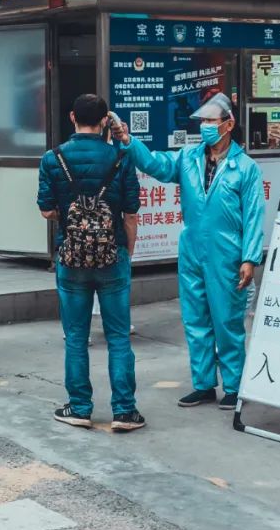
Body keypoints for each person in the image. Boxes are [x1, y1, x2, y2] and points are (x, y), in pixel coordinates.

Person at [113, 92, 264, 411]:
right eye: (204, 121)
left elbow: (253, 216)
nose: (206, 126)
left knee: (227, 321)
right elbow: (155, 164)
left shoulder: (245, 168)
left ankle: (234, 387)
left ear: (229, 124)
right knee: (195, 319)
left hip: (228, 253)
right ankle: (204, 384)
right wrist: (129, 141)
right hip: (192, 250)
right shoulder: (188, 158)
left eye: (211, 121)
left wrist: (250, 258)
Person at [38, 93, 144, 432]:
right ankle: (125, 411)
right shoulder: (120, 158)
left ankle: (80, 407)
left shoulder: (53, 159)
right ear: (104, 123)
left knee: (76, 336)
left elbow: (46, 209)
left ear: (72, 117)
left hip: (71, 259)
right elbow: (130, 213)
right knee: (117, 337)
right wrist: (126, 250)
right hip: (113, 257)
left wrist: (73, 220)